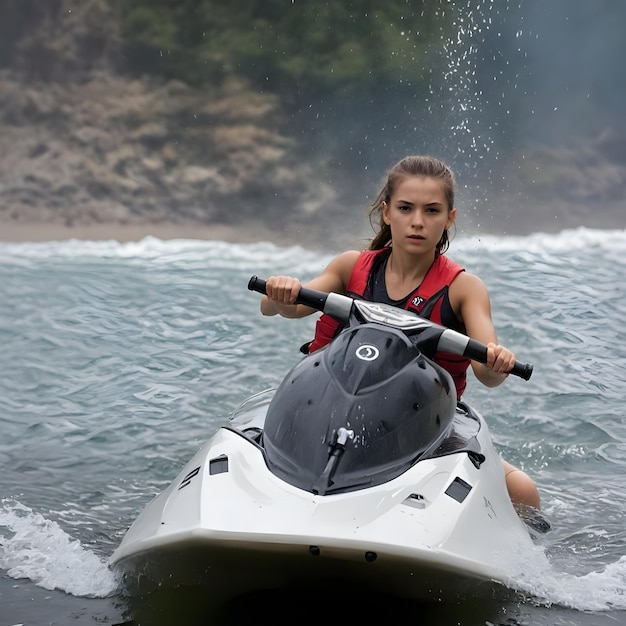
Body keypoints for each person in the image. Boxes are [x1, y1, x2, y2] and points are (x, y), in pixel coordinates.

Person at [260, 155, 541, 511]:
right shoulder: (351, 267)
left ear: (449, 219)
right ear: (387, 212)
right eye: (406, 208)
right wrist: (281, 293)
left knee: (523, 490)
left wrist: (497, 362)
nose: (418, 222)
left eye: (432, 211)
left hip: (421, 426)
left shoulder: (464, 289)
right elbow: (283, 308)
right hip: (327, 408)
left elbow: (487, 371)